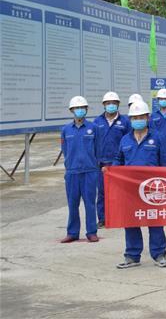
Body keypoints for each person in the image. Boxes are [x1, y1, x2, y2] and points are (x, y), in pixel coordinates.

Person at [113, 100, 166, 269]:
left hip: (153, 188)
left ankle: (159, 254)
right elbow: (118, 159)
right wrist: (112, 171)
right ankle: (132, 255)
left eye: (141, 117)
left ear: (147, 117)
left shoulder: (158, 138)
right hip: (130, 189)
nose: (138, 120)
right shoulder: (125, 140)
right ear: (130, 120)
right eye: (134, 117)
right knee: (131, 221)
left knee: (155, 221)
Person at [60, 96, 101, 243]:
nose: (79, 110)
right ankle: (72, 233)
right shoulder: (65, 130)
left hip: (90, 171)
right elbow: (65, 150)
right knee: (72, 203)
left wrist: (94, 165)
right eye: (76, 108)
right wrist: (70, 165)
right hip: (72, 172)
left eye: (82, 108)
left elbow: (98, 149)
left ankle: (91, 232)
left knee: (90, 203)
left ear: (86, 110)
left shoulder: (93, 128)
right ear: (72, 110)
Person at [94, 91, 130, 228]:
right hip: (102, 164)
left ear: (118, 105)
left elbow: (129, 141)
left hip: (119, 163)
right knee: (102, 192)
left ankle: (120, 217)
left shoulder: (125, 122)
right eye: (108, 103)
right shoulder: (97, 122)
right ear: (104, 105)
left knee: (120, 192)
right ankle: (102, 218)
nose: (111, 105)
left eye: (114, 103)